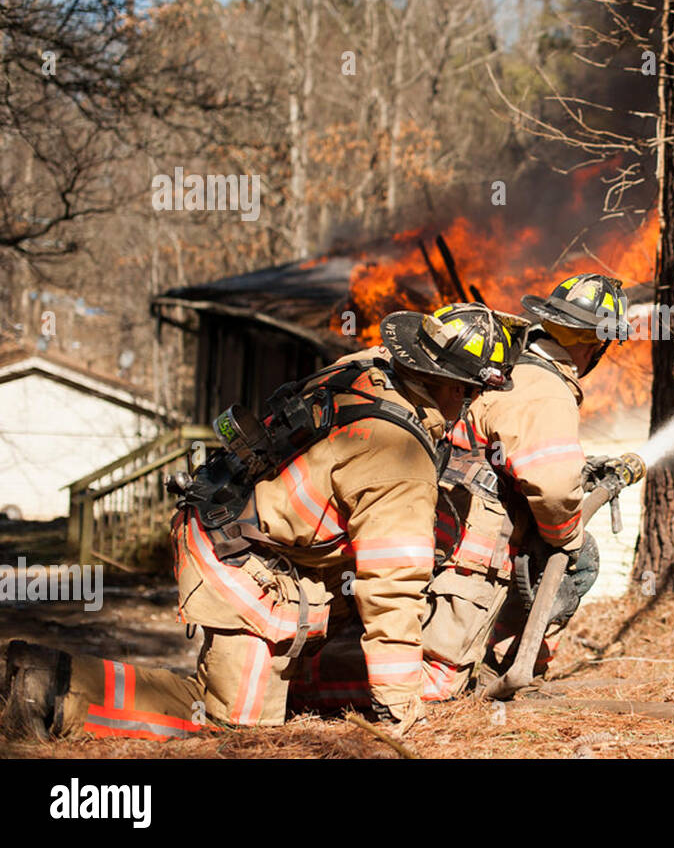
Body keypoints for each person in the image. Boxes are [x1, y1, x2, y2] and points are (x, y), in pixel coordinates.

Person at [0, 303, 517, 741]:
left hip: (239, 529)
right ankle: (50, 692)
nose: (469, 406)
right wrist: (404, 714)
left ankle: (45, 679)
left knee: (249, 711)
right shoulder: (397, 458)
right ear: (442, 382)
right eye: (468, 392)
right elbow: (391, 593)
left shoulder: (365, 369)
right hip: (237, 559)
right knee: (235, 728)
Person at [289, 273, 630, 709]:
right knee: (438, 677)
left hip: (392, 518)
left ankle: (315, 669)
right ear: (592, 344)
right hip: (467, 545)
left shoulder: (487, 355)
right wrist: (568, 536)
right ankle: (300, 690)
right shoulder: (545, 390)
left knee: (379, 616)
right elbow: (553, 487)